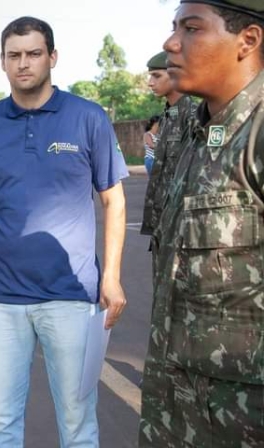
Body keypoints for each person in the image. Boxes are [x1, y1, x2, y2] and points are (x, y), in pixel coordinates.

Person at [0, 16, 128, 448]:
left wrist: (110, 276)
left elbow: (113, 200)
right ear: (1, 62)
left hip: (70, 296)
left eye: (34, 53)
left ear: (52, 57)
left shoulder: (87, 118)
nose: (24, 64)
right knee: (2, 420)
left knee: (77, 421)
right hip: (1, 300)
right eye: (14, 55)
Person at [139, 1, 264, 446]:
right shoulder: (199, 128)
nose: (171, 42)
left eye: (191, 28)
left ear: (247, 41)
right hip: (178, 406)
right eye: (174, 28)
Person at [140, 51, 197, 235]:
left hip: (182, 225)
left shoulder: (193, 117)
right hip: (162, 222)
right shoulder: (166, 118)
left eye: (157, 76)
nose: (150, 82)